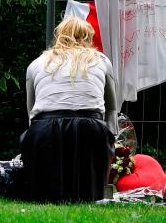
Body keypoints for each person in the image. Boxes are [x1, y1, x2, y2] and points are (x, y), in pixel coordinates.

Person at [21, 15, 118, 203]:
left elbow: (31, 113)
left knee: (45, 195)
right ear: (88, 37)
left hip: (44, 129)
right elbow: (112, 108)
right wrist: (110, 139)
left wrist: (32, 143)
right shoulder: (102, 61)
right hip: (90, 128)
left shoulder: (36, 63)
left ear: (59, 36)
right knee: (87, 196)